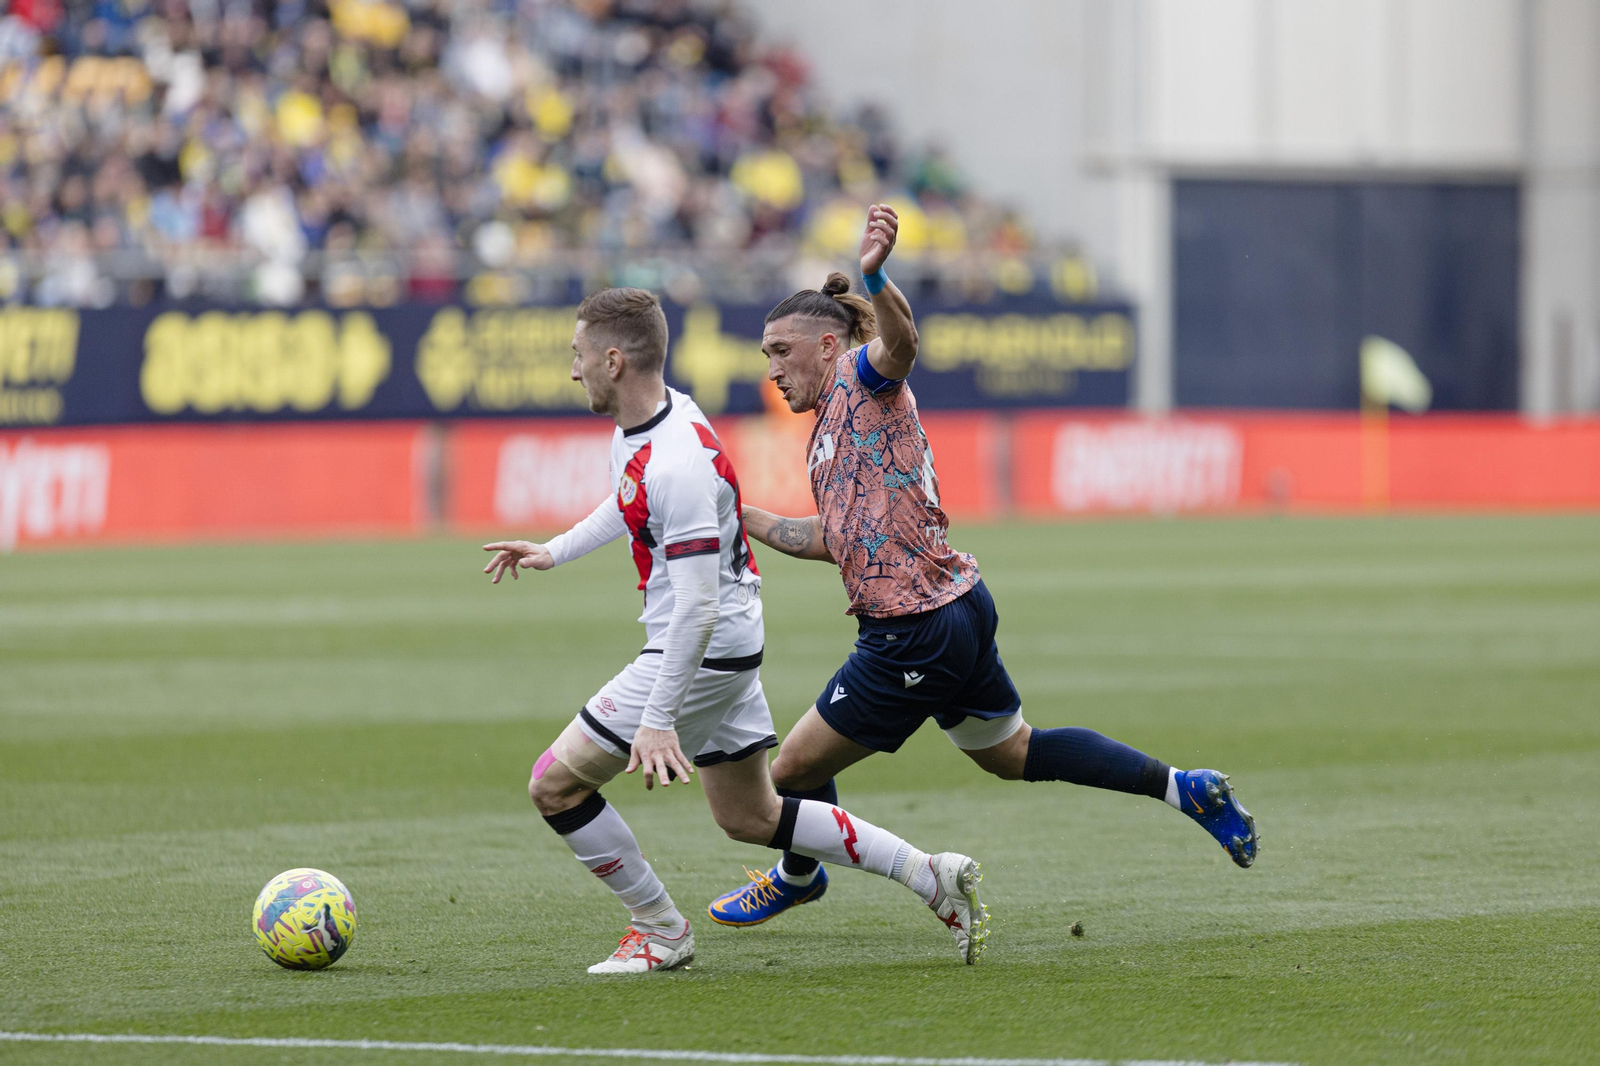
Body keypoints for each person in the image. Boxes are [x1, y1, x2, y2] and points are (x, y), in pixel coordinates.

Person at [708, 207, 1260, 927]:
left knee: (789, 776)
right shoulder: (826, 434)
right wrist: (744, 517)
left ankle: (797, 874)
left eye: (780, 351)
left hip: (912, 631)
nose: (772, 369)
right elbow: (839, 538)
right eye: (765, 355)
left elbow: (902, 343)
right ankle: (1185, 788)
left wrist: (875, 275)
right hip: (959, 606)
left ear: (825, 343)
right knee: (1010, 752)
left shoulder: (862, 377)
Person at [482, 287, 989, 973]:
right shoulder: (661, 423)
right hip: (727, 648)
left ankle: (659, 930)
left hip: (698, 653)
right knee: (750, 816)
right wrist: (556, 549)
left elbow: (694, 606)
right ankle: (928, 874)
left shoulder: (679, 464)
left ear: (612, 359)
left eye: (577, 356)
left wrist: (659, 717)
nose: (572, 371)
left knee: (555, 786)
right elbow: (628, 497)